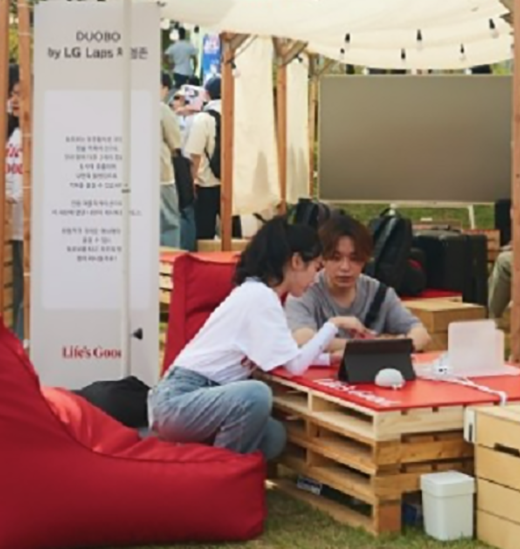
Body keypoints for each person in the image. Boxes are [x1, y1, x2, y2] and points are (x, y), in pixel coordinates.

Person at [147, 220, 367, 460]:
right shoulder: (259, 298)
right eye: (315, 267)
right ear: (296, 261)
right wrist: (333, 326)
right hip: (179, 401)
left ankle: (195, 462)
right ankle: (220, 474)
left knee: (272, 436)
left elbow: (286, 357)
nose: (315, 279)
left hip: (200, 397)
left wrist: (329, 359)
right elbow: (295, 366)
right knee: (256, 394)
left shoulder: (259, 294)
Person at [287, 214, 431, 352]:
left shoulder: (380, 293)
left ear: (366, 259)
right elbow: (303, 340)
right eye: (336, 258)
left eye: (354, 259)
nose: (345, 267)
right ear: (322, 258)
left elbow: (421, 334)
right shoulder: (304, 291)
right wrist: (372, 345)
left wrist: (403, 346)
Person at [0, 66, 26, 340]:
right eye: (12, 94)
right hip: (7, 222)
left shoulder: (38, 135)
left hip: (26, 224)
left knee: (24, 289)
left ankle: (23, 340)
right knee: (13, 288)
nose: (14, 100)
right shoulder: (8, 133)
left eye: (21, 95)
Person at [184, 77, 224, 241]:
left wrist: (191, 182)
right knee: (233, 233)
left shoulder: (204, 118)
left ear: (207, 94)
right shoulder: (239, 116)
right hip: (233, 184)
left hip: (207, 184)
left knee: (204, 235)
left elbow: (195, 155)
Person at [158, 72, 185, 249]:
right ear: (164, 88)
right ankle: (169, 264)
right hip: (162, 175)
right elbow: (176, 143)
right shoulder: (162, 109)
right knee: (169, 223)